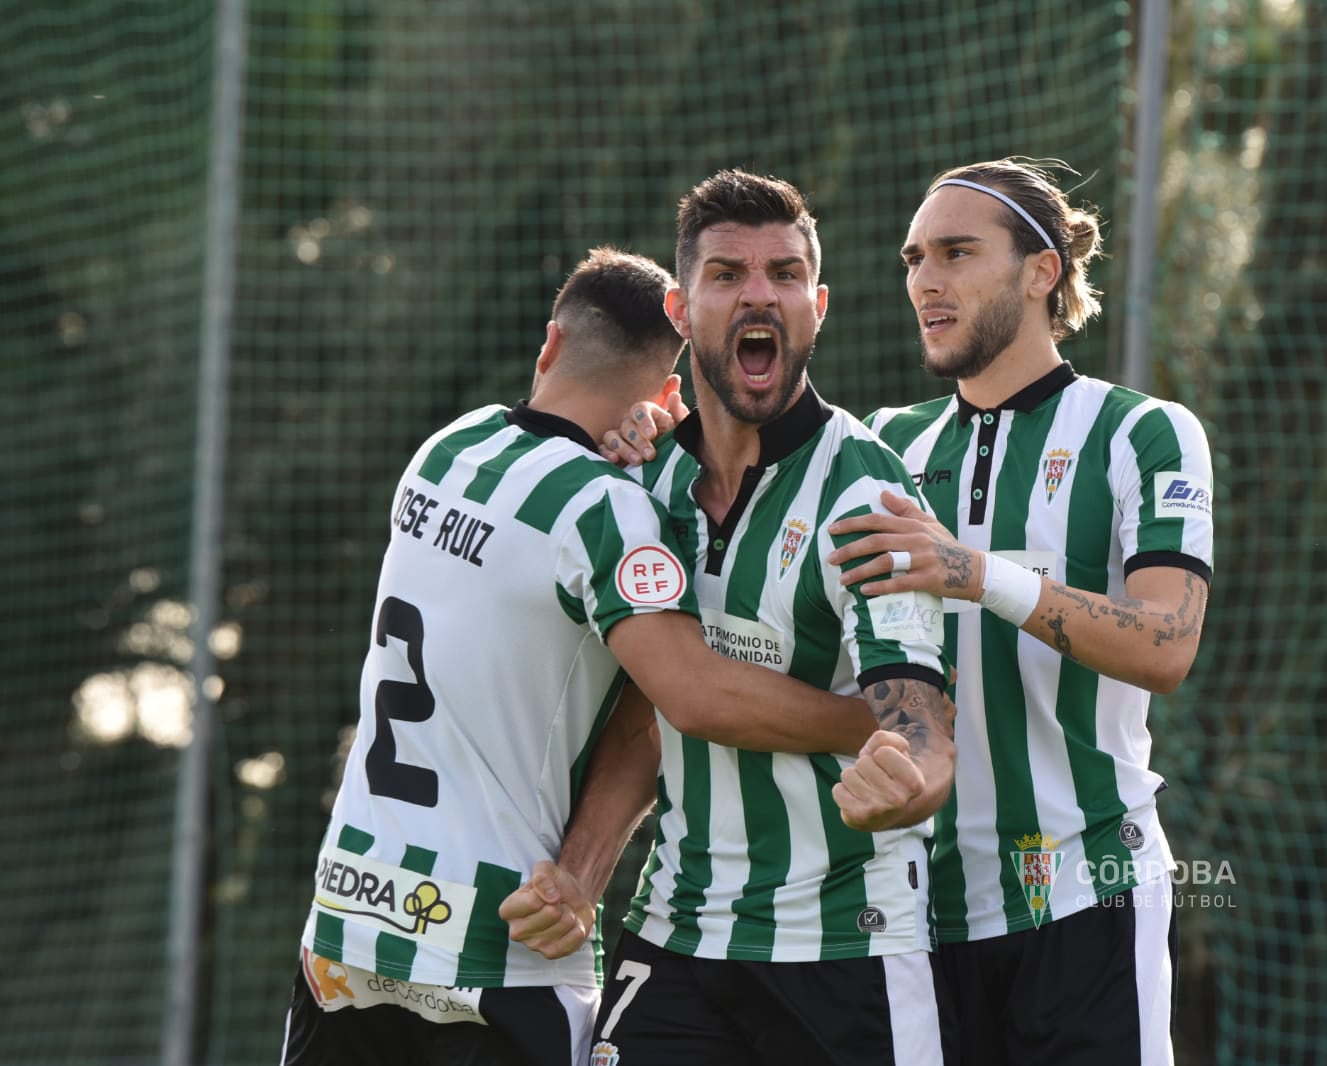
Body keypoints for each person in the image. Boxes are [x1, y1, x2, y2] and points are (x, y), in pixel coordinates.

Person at [601, 159, 1215, 1066]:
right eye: (914, 257)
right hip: (924, 906)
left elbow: (1168, 644)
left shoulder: (1142, 432)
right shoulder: (888, 447)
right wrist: (651, 431)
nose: (927, 279)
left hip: (1089, 892)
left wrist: (980, 573)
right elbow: (756, 458)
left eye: (958, 253)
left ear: (1042, 271)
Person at [281, 246, 892, 1066]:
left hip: (349, 920)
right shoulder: (611, 510)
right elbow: (693, 697)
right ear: (669, 392)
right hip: (495, 940)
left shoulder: (448, 450)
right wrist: (878, 721)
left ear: (548, 347)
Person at [523, 170, 960, 1066]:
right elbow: (646, 717)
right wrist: (580, 872)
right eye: (727, 274)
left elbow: (920, 727)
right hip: (676, 938)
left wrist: (904, 772)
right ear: (681, 312)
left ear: (817, 306)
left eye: (785, 274)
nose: (759, 292)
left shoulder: (866, 495)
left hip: (847, 948)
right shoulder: (638, 483)